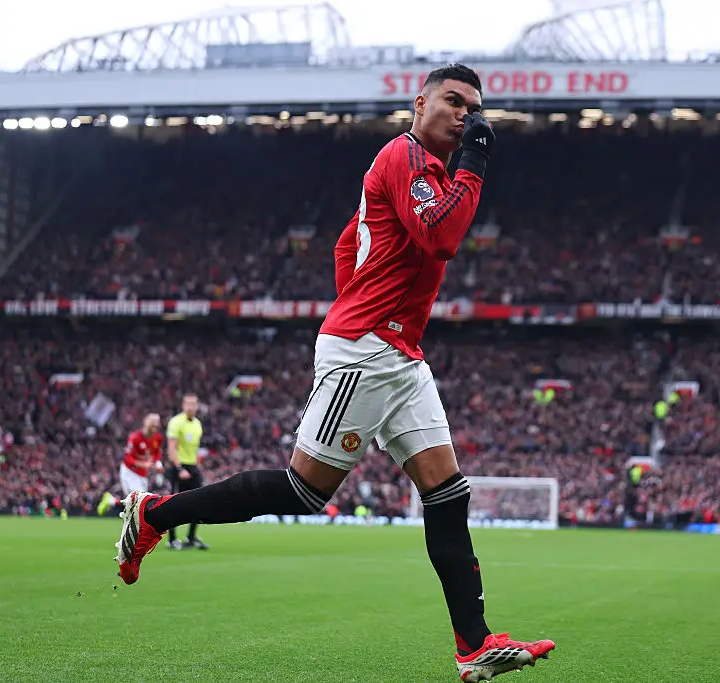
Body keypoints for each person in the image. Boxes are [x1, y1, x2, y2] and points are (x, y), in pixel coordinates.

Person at [113, 64, 554, 681]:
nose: (465, 116)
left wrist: (362, 297)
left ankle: (475, 645)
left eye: (473, 108)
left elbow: (349, 243)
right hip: (368, 350)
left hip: (399, 354)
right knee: (304, 491)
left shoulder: (423, 173)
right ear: (420, 103)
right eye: (453, 102)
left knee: (448, 494)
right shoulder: (405, 157)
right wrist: (475, 164)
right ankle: (154, 514)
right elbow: (441, 238)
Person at [164, 394, 208, 550]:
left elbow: (194, 449)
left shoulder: (197, 424)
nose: (191, 407)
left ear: (197, 406)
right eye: (188, 404)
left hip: (192, 466)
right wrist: (179, 468)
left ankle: (191, 537)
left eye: (193, 404)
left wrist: (196, 466)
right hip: (178, 467)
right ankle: (172, 539)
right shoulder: (176, 422)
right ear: (183, 405)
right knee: (175, 503)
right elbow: (171, 448)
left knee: (200, 501)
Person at [119, 413, 164, 497]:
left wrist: (156, 463)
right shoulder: (135, 437)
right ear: (146, 423)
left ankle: (112, 501)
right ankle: (113, 501)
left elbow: (157, 453)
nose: (156, 425)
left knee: (139, 500)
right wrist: (143, 464)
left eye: (157, 423)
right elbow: (127, 457)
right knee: (136, 499)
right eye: (153, 423)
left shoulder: (158, 438)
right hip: (130, 473)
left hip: (143, 475)